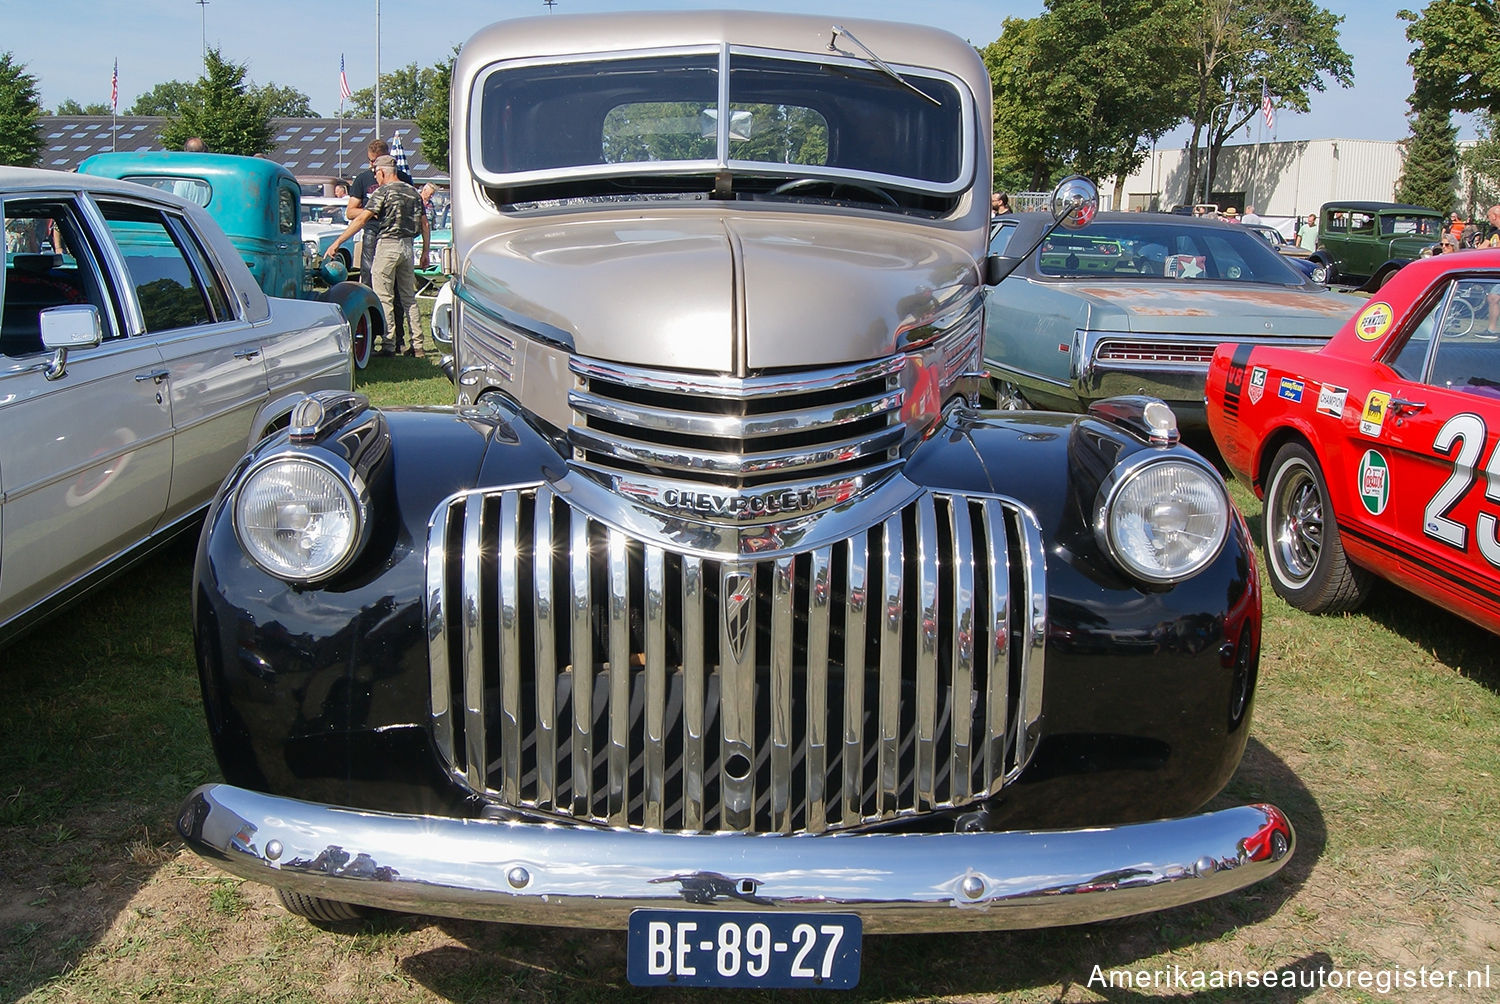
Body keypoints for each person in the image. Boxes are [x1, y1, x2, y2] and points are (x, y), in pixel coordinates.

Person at [324, 155, 430, 356]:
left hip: (387, 246)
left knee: (384, 296)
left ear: (382, 172)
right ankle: (418, 345)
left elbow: (362, 218)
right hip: (408, 247)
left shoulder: (383, 192)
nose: (375, 177)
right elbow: (425, 224)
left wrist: (338, 242)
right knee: (409, 298)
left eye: (376, 173)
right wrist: (425, 252)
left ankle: (388, 345)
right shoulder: (413, 192)